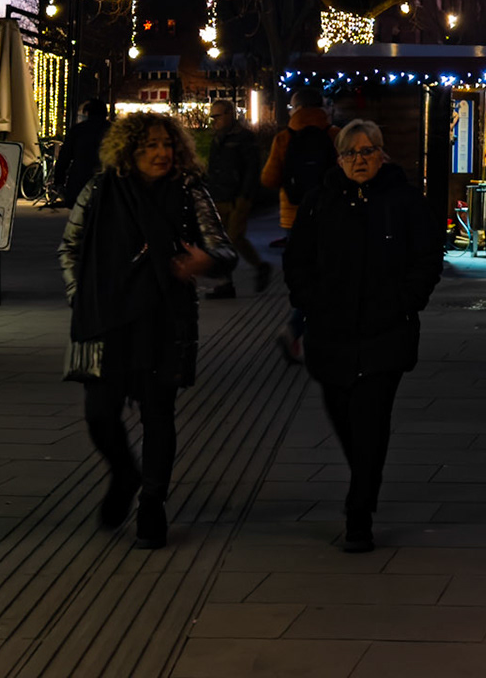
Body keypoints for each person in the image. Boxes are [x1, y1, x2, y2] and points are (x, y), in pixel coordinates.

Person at [60, 112, 236, 550]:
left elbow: (222, 248)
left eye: (167, 144)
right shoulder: (100, 189)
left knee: (159, 415)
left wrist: (205, 261)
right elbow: (70, 247)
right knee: (100, 414)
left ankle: (152, 504)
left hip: (164, 320)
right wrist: (81, 297)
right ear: (130, 150)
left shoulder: (188, 192)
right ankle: (124, 472)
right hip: (106, 320)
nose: (162, 153)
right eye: (150, 146)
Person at [284, 119, 443, 554]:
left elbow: (428, 256)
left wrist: (406, 299)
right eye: (350, 152)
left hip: (384, 331)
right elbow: (297, 259)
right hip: (330, 331)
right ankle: (365, 480)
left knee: (371, 420)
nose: (359, 159)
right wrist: (310, 301)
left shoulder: (405, 201)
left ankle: (359, 511)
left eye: (367, 150)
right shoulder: (320, 202)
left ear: (382, 154)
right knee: (343, 416)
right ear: (338, 159)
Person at [261, 85, 338, 363]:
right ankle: (300, 331)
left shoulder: (284, 138)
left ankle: (297, 329)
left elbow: (269, 179)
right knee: (327, 277)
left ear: (296, 108)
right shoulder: (334, 135)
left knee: (305, 278)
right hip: (329, 217)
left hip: (292, 219)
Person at [204, 100, 271, 299]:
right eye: (213, 117)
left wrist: (245, 196)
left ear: (230, 114)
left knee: (234, 237)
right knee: (221, 242)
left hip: (237, 197)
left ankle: (259, 267)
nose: (214, 121)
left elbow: (251, 170)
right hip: (219, 196)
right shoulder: (218, 138)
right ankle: (225, 283)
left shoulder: (243, 138)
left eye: (218, 116)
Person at [54, 99, 112, 206]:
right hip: (107, 183)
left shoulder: (78, 130)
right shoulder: (113, 131)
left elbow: (64, 157)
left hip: (79, 181)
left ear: (88, 113)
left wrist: (59, 181)